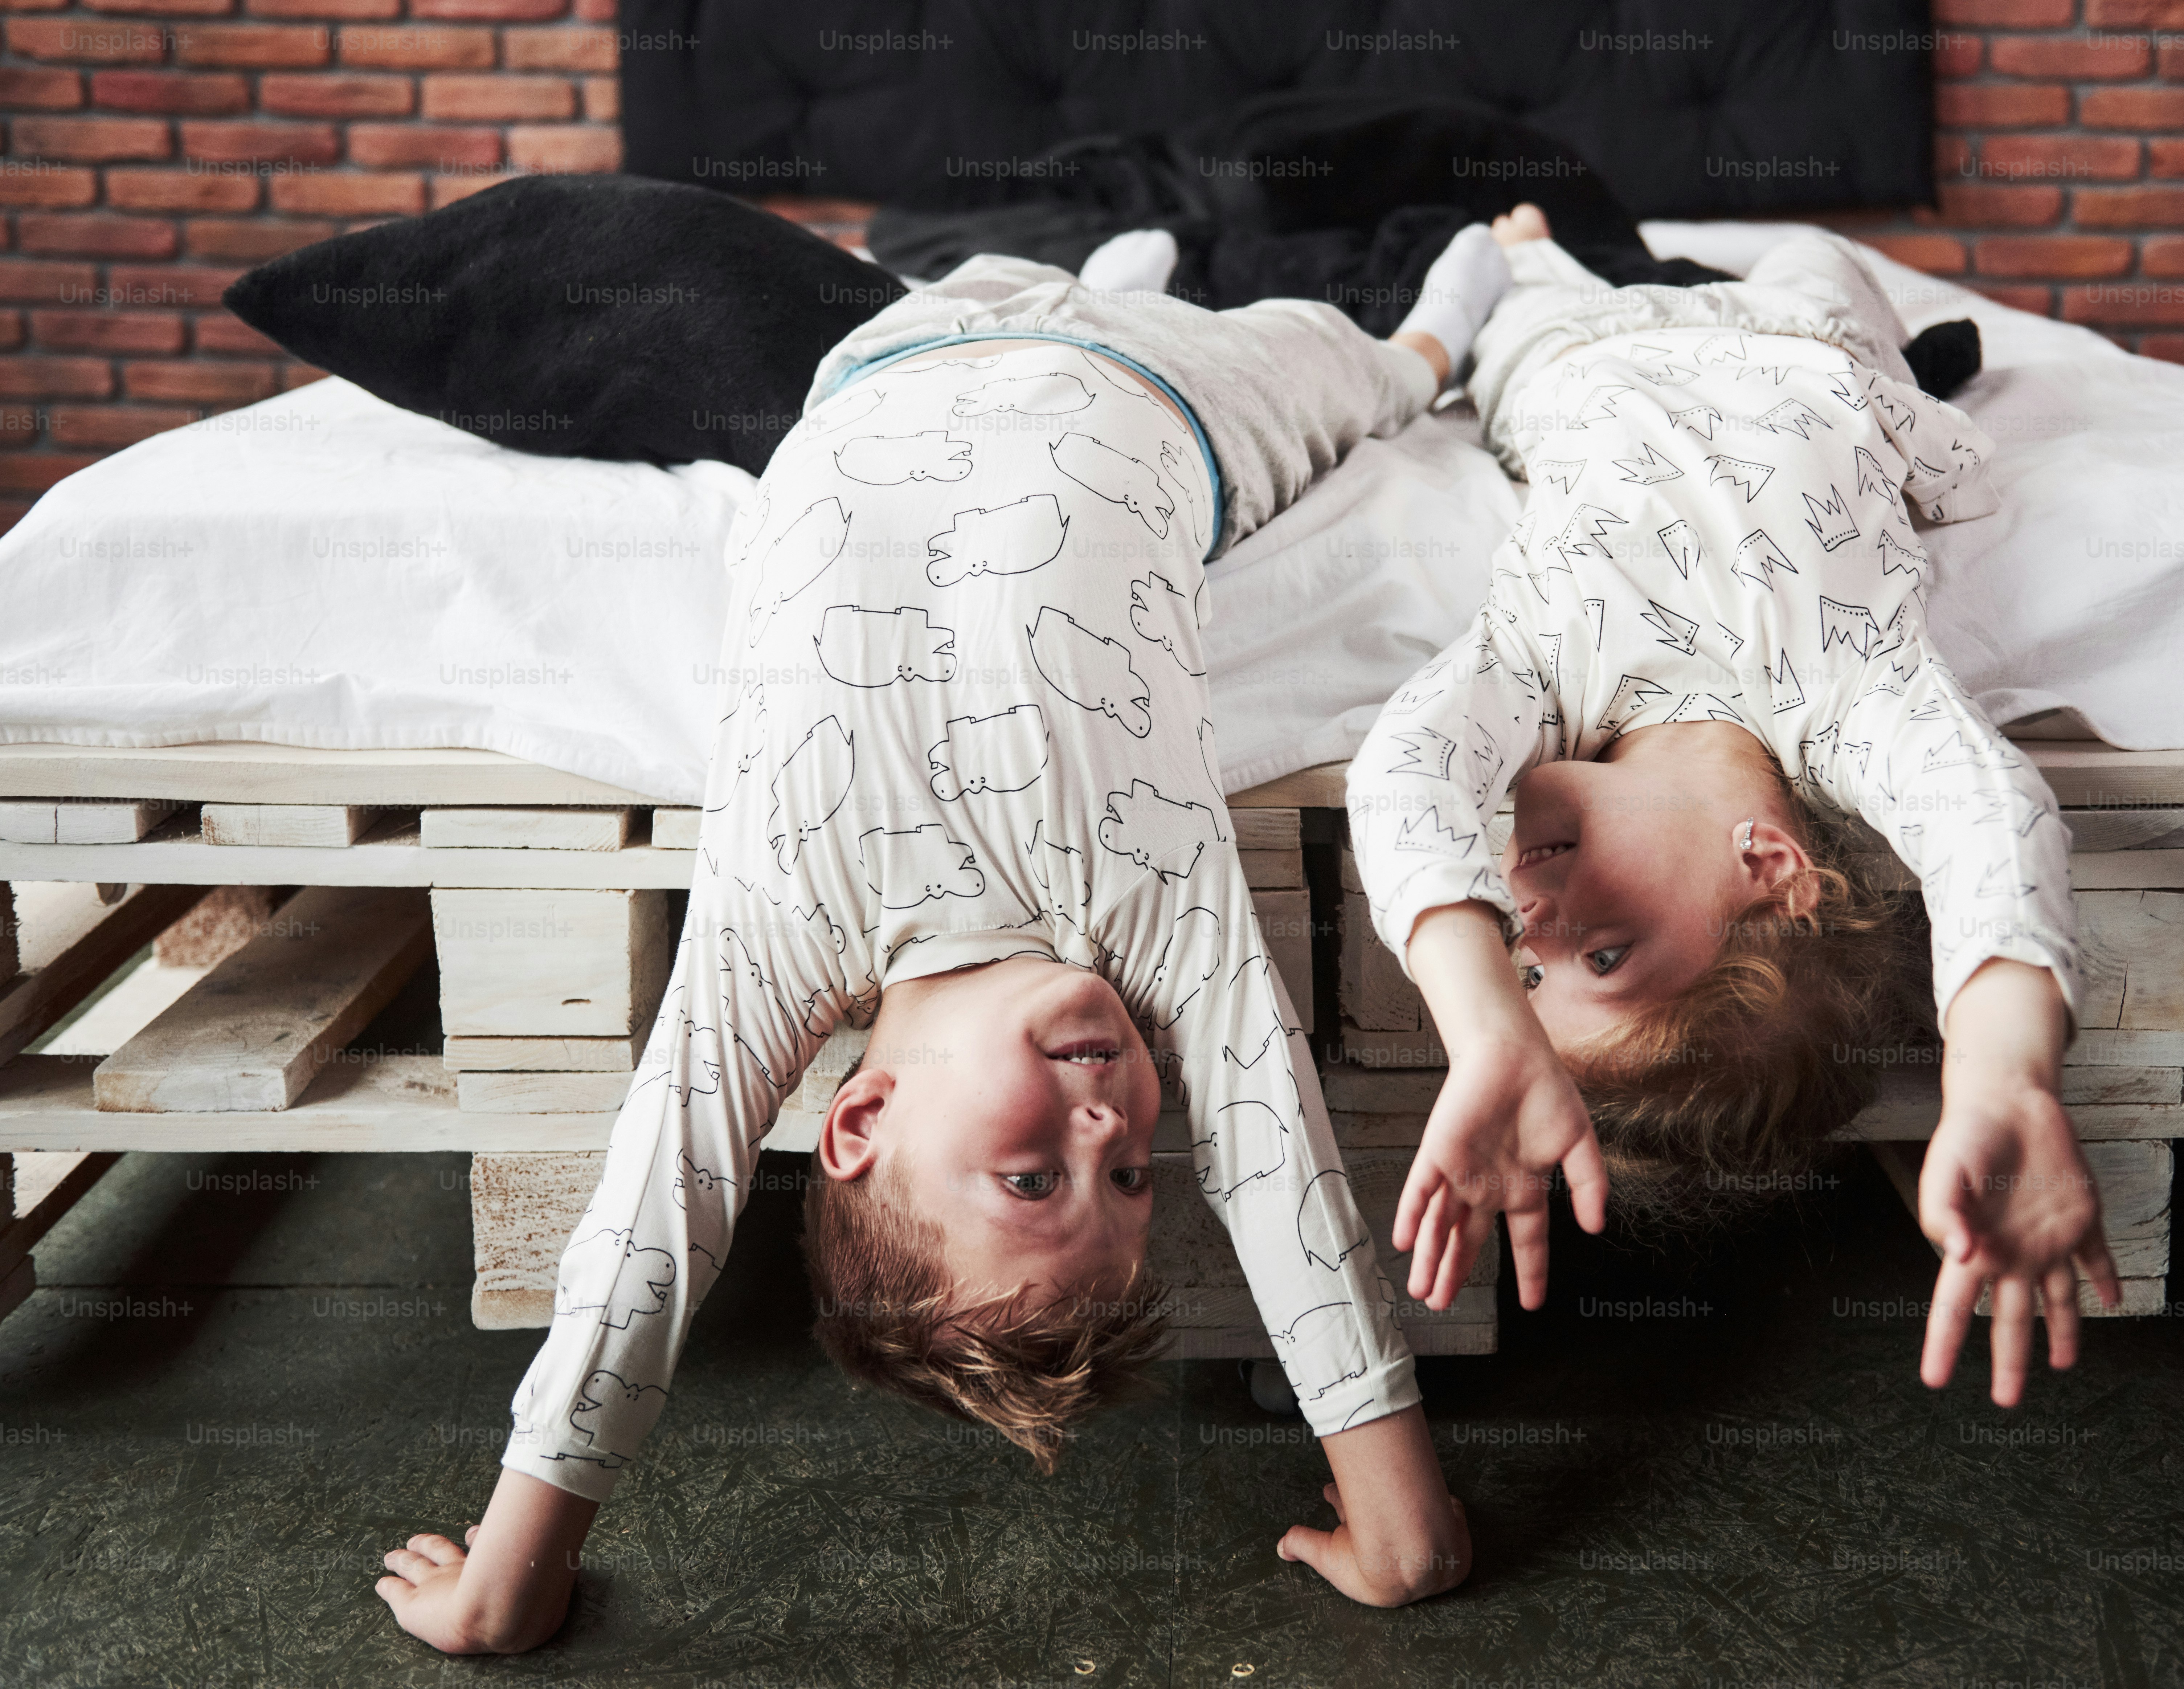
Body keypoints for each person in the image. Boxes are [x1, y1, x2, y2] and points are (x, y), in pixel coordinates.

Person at [376, 224, 1525, 1653]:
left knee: (1210, 328)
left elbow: (658, 1211)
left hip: (898, 349)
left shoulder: (786, 917)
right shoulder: (1146, 901)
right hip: (1172, 395)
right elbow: (1270, 1146)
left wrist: (516, 1562)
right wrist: (1404, 1521)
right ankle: (1462, 286)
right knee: (1380, 374)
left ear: (857, 1120)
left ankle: (1130, 271)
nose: (1114, 1117)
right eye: (1130, 1175)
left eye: (1041, 1170)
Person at [1345, 206, 2118, 1411]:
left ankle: (1552, 238)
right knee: (1817, 251)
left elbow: (1403, 771)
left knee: (1513, 267)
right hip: (1797, 345)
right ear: (1771, 866)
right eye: (1605, 949)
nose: (1529, 927)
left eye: (1528, 976)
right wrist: (2004, 1074)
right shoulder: (1850, 697)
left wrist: (1482, 1023)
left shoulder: (1537, 679)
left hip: (1573, 351)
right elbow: (1984, 817)